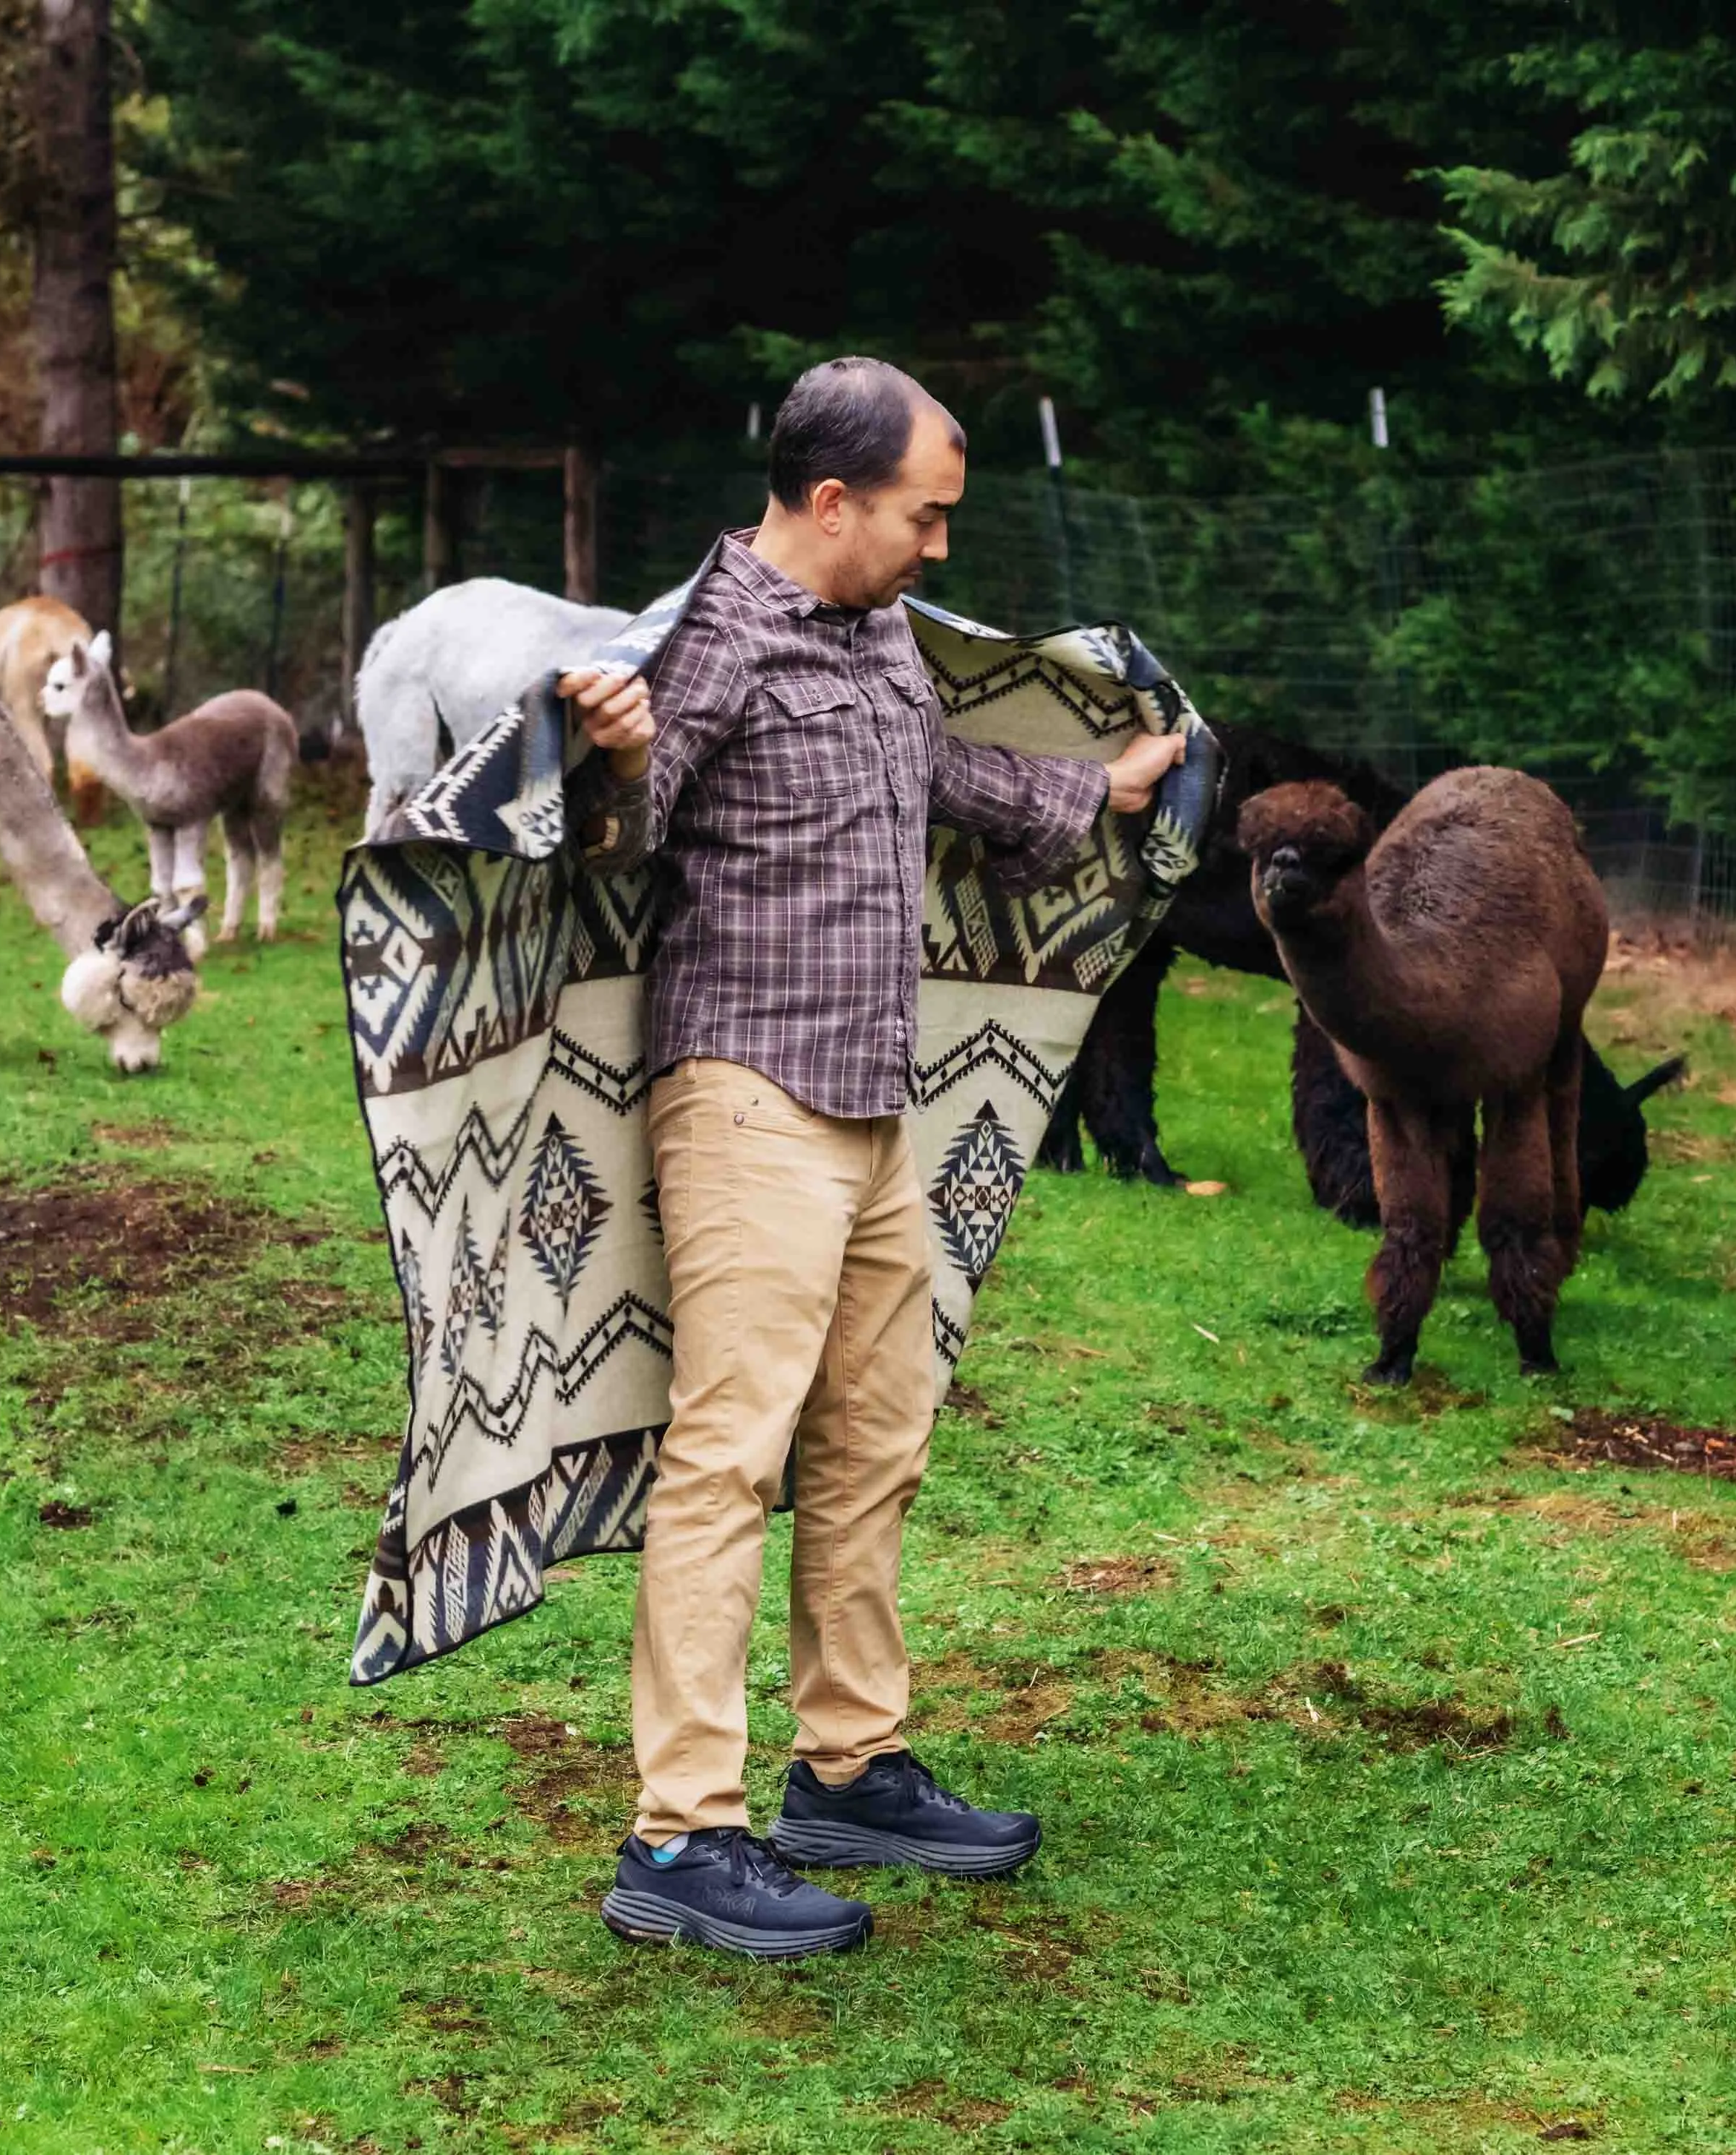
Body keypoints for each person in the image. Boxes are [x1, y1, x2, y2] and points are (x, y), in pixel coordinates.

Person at [560, 356, 1185, 1961]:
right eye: (926, 515)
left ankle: (847, 1761)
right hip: (747, 1099)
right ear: (831, 500)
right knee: (730, 1456)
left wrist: (1092, 790)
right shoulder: (704, 640)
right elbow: (617, 853)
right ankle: (680, 1834)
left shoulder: (877, 636)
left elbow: (934, 777)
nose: (941, 547)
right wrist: (620, 758)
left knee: (875, 1437)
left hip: (870, 1107)